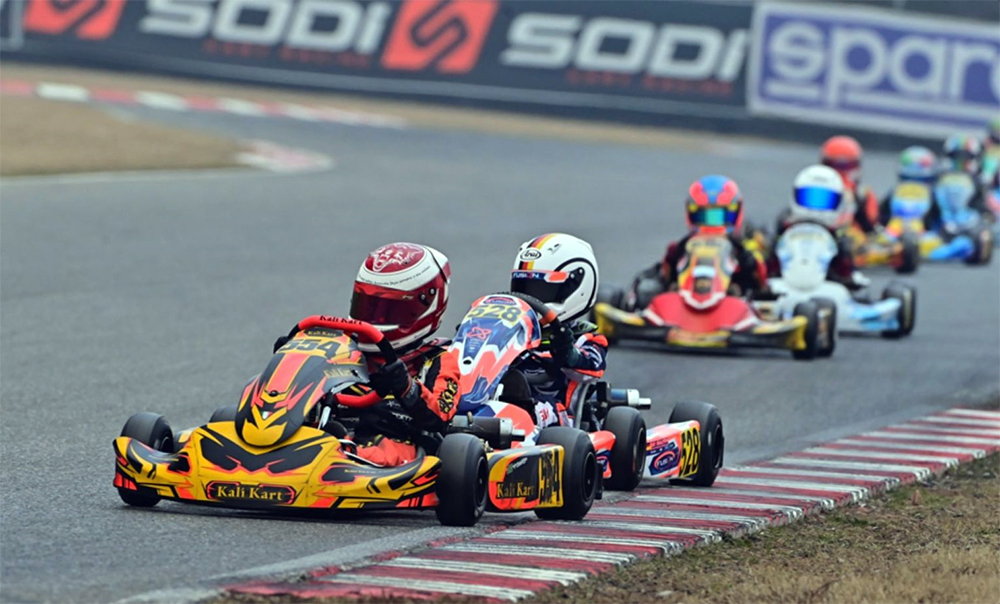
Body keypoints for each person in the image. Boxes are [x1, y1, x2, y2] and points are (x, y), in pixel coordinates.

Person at [273, 242, 460, 466]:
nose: (373, 319)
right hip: (333, 429)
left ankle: (339, 461)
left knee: (383, 447)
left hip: (398, 441)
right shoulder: (343, 345)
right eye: (368, 306)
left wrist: (405, 387)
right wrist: (293, 359)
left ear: (424, 308)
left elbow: (441, 416)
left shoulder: (436, 360)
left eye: (387, 311)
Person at [508, 233, 608, 431]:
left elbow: (592, 367)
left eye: (541, 290)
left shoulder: (586, 338)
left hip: (560, 418)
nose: (530, 298)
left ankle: (521, 412)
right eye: (524, 288)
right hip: (502, 401)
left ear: (576, 288)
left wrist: (568, 354)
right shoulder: (514, 330)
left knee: (538, 408)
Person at [624, 175, 767, 311]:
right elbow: (663, 274)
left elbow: (761, 281)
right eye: (703, 216)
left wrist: (749, 264)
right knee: (650, 288)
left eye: (719, 216)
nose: (711, 224)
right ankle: (680, 297)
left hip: (735, 307)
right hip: (681, 305)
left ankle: (731, 296)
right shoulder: (681, 248)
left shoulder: (741, 250)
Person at [771, 164, 868, 290]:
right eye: (810, 197)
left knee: (844, 246)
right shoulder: (784, 227)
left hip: (827, 287)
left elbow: (850, 274)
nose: (815, 208)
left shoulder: (837, 237)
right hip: (781, 285)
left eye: (823, 200)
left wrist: (845, 267)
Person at [820, 135, 880, 234]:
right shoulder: (815, 188)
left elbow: (871, 228)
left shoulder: (863, 194)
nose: (841, 171)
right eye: (835, 165)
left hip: (852, 242)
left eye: (847, 166)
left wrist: (857, 205)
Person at [878, 146, 941, 229]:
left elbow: (941, 220)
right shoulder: (893, 193)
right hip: (894, 230)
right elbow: (881, 215)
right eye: (907, 179)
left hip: (926, 234)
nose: (913, 186)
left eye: (921, 180)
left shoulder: (934, 197)